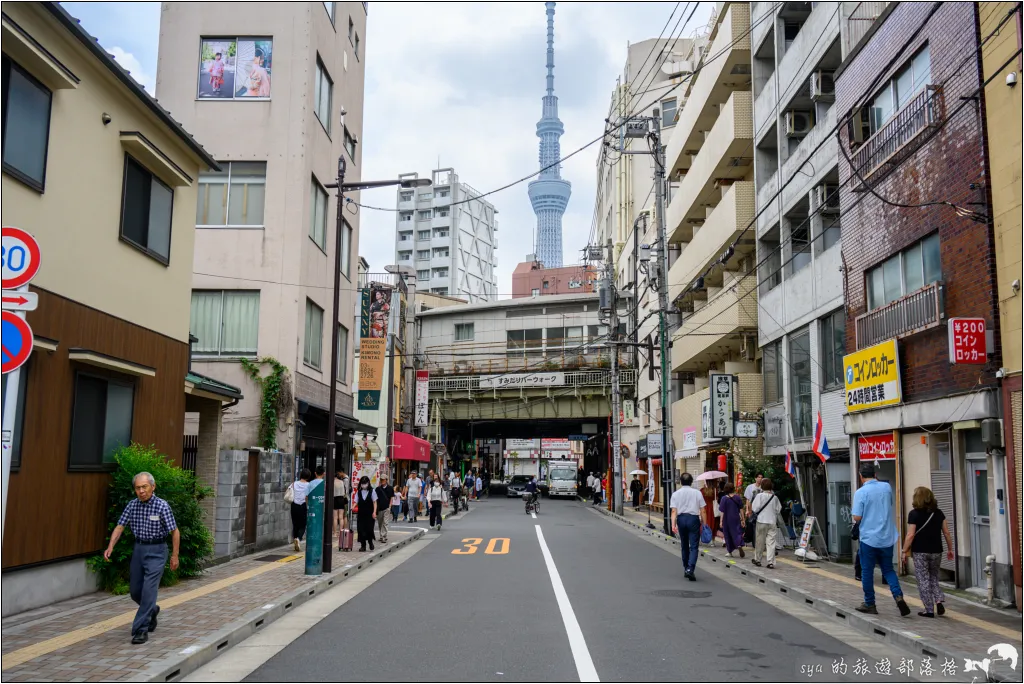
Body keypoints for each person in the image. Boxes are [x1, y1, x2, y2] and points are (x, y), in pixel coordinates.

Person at [103, 472, 179, 644]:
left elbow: (175, 531)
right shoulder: (132, 506)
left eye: (144, 487)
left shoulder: (162, 506)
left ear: (153, 487)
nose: (141, 491)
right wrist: (110, 546)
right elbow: (120, 526)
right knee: (135, 591)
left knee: (148, 591)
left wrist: (175, 556)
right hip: (139, 549)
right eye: (138, 488)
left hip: (158, 550)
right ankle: (152, 610)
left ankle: (140, 629)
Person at [852, 463, 911, 616]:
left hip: (869, 538)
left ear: (861, 476)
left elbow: (857, 517)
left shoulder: (861, 492)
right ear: (875, 475)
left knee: (867, 571)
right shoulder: (886, 488)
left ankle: (870, 603)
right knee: (888, 570)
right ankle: (898, 596)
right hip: (887, 537)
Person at [901, 486, 954, 618]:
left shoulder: (914, 514)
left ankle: (929, 609)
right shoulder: (939, 513)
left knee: (923, 579)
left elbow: (910, 535)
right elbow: (946, 533)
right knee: (934, 577)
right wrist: (950, 548)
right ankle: (938, 599)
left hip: (920, 551)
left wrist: (904, 550)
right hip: (936, 550)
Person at [670, 473, 706, 581]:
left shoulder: (676, 494)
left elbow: (673, 511)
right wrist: (705, 524)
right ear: (691, 482)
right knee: (694, 546)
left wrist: (673, 524)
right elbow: (703, 510)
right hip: (693, 519)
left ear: (681, 482)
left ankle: (686, 568)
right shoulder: (697, 493)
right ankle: (691, 568)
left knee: (684, 545)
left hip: (681, 519)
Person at [751, 478, 782, 568]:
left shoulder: (759, 496)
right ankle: (770, 562)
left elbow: (755, 508)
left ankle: (758, 559)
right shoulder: (775, 497)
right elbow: (778, 509)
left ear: (762, 486)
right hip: (772, 522)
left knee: (760, 541)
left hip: (761, 521)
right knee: (771, 542)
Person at [718, 482, 746, 558]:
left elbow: (722, 511)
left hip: (727, 519)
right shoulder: (737, 497)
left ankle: (730, 552)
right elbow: (741, 509)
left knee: (727, 535)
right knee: (737, 532)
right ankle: (739, 544)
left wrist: (721, 521)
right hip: (736, 518)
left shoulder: (724, 498)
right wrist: (743, 520)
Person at [289, 469, 312, 552]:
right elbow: (308, 497)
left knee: (295, 524)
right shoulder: (309, 485)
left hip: (294, 506)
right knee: (303, 525)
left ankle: (295, 538)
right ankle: (298, 539)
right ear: (308, 476)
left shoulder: (294, 483)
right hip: (302, 506)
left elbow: (288, 491)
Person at [354, 475, 377, 552]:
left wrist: (374, 512)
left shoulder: (372, 491)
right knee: (361, 530)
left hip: (369, 514)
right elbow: (356, 501)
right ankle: (363, 545)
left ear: (368, 483)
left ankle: (370, 542)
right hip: (361, 514)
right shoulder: (359, 492)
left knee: (369, 529)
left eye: (365, 483)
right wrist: (352, 507)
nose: (363, 485)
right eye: (362, 483)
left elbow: (374, 502)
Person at [374, 475, 395, 544]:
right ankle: (381, 535)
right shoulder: (377, 489)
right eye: (381, 480)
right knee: (380, 523)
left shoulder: (390, 488)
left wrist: (390, 506)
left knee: (385, 523)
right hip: (379, 508)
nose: (382, 481)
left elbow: (392, 498)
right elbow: (375, 500)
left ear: (386, 480)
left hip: (386, 508)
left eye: (383, 480)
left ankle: (384, 536)